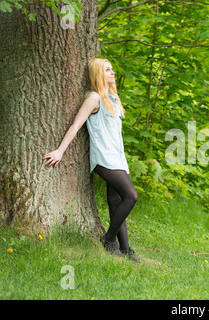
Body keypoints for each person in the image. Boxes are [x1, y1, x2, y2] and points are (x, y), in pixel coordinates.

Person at [42, 57, 139, 262]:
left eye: (112, 69)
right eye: (107, 70)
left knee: (116, 201)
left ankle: (125, 248)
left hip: (118, 158)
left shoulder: (112, 98)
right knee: (131, 196)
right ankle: (109, 238)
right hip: (104, 159)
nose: (112, 72)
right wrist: (60, 151)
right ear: (98, 74)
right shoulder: (94, 98)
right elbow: (76, 125)